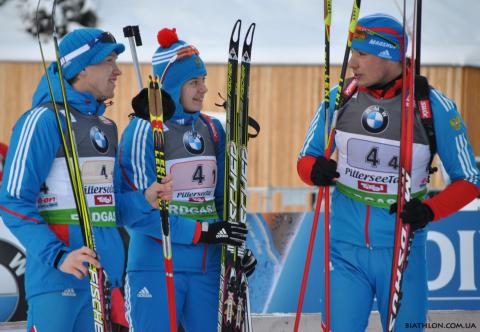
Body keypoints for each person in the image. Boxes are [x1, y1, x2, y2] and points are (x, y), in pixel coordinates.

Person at [297, 13, 480, 332]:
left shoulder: (432, 106)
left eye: (361, 53)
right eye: (352, 52)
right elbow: (305, 159)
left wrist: (428, 210)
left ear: (389, 54)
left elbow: (469, 180)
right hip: (345, 250)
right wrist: (316, 170)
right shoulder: (341, 97)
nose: (352, 62)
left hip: (403, 253)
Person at [0, 28, 171, 331]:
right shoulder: (42, 120)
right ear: (81, 68)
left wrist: (144, 199)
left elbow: (111, 209)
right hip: (59, 281)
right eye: (108, 61)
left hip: (106, 281)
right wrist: (58, 256)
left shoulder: (106, 127)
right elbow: (12, 201)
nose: (117, 71)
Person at [115, 28, 257, 331]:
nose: (203, 89)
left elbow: (224, 202)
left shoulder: (212, 129)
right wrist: (205, 232)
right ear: (172, 85)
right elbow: (140, 215)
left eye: (204, 80)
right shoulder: (143, 131)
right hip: (157, 265)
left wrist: (236, 249)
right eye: (194, 82)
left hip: (207, 268)